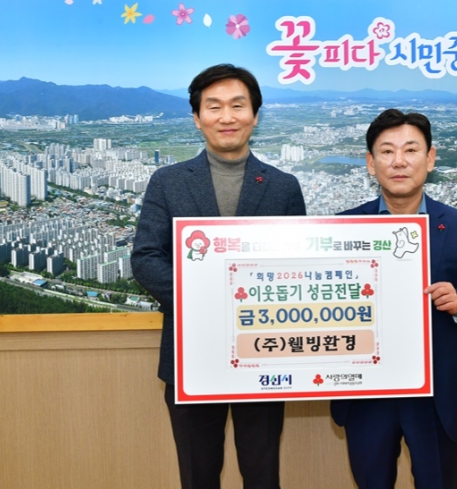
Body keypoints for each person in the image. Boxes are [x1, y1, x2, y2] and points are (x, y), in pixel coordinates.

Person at [131, 64, 306, 489]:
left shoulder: (283, 186)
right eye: (214, 107)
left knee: (262, 475)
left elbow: (299, 268)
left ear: (255, 115)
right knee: (198, 474)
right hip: (191, 354)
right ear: (197, 118)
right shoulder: (168, 182)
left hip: (264, 355)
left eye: (237, 106)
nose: (226, 117)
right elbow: (146, 258)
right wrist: (208, 299)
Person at [330, 109, 457, 489]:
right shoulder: (343, 227)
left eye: (410, 150)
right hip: (368, 389)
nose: (399, 161)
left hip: (436, 390)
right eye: (387, 152)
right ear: (371, 163)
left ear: (430, 158)